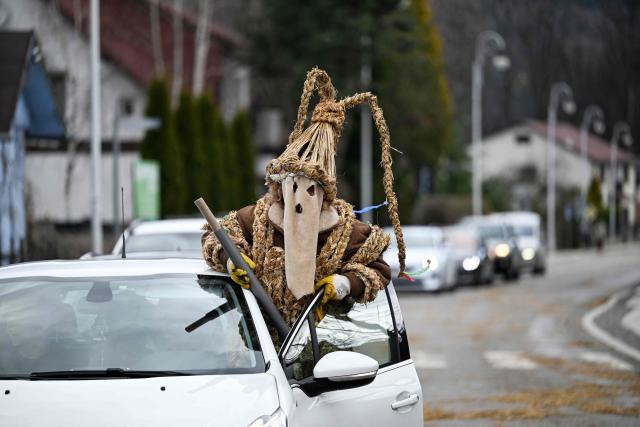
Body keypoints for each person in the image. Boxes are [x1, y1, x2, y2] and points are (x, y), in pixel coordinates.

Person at [202, 68, 407, 334]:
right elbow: (213, 237)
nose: (299, 199)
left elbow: (378, 269)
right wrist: (232, 261)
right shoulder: (254, 220)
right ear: (278, 187)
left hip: (326, 345)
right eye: (292, 186)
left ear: (324, 194)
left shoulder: (348, 232)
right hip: (254, 345)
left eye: (311, 189)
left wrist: (345, 284)